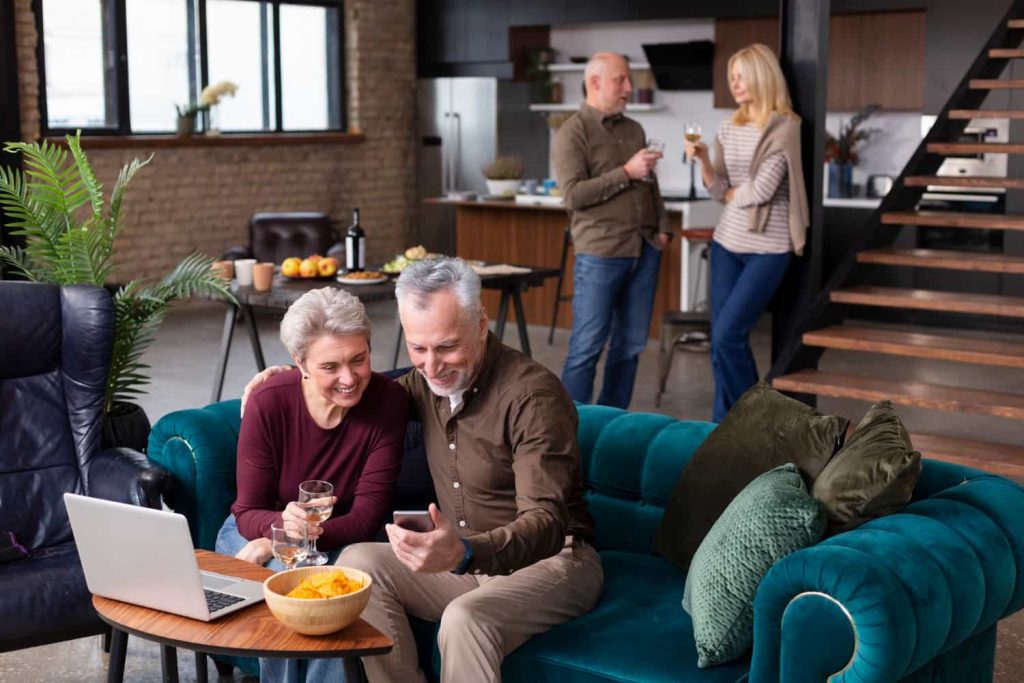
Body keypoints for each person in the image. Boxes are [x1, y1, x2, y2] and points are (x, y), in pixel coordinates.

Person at [242, 258, 603, 683]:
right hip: (466, 563)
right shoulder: (423, 384)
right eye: (418, 348)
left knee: (465, 619)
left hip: (554, 561)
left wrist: (465, 553)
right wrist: (296, 376)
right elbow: (361, 385)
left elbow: (545, 522)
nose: (432, 365)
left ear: (481, 323)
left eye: (447, 346)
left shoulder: (533, 398)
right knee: (357, 566)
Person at [218, 286, 408, 683]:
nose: (349, 378)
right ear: (299, 363)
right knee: (287, 584)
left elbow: (367, 517)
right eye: (330, 367)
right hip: (253, 530)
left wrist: (284, 541)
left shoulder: (388, 402)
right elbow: (247, 510)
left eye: (359, 359)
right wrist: (278, 534)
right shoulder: (269, 400)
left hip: (335, 538)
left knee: (328, 595)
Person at [684, 43, 809, 422]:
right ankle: (723, 425)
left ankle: (757, 422)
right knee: (720, 343)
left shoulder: (785, 127)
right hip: (727, 243)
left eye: (741, 76)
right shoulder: (728, 127)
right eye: (731, 77)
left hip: (768, 249)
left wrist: (733, 190)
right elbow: (719, 191)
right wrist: (705, 160)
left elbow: (761, 192)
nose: (734, 84)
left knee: (727, 335)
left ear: (762, 75)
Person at [553, 51, 672, 409]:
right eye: (621, 79)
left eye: (628, 80)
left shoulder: (634, 129)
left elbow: (650, 184)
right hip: (601, 254)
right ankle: (572, 429)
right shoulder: (573, 131)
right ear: (594, 82)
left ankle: (612, 424)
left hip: (644, 250)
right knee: (587, 347)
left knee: (631, 347)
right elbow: (573, 195)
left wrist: (663, 227)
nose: (629, 88)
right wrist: (626, 172)